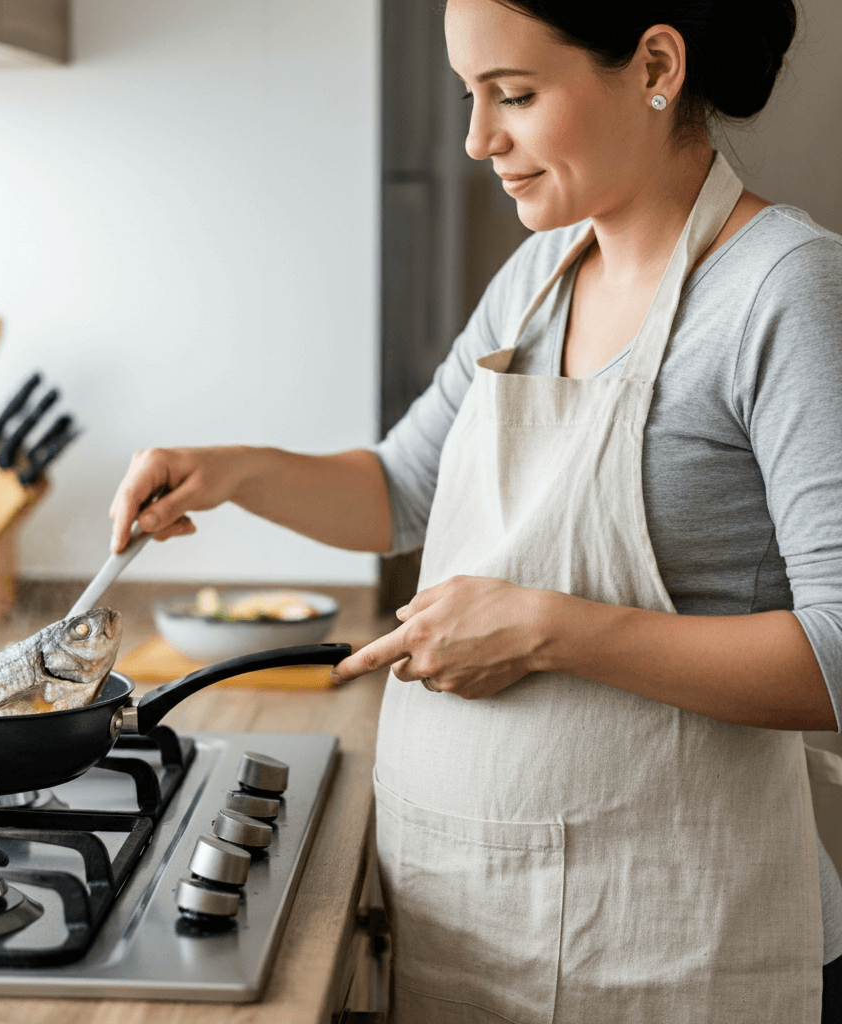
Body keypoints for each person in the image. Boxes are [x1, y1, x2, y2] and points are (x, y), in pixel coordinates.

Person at [109, 0, 842, 1019]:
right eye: (470, 95)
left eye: (516, 95)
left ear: (654, 65)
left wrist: (548, 633)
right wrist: (234, 471)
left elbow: (837, 651)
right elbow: (399, 491)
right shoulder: (540, 275)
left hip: (673, 950)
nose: (476, 139)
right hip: (473, 928)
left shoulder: (781, 291)